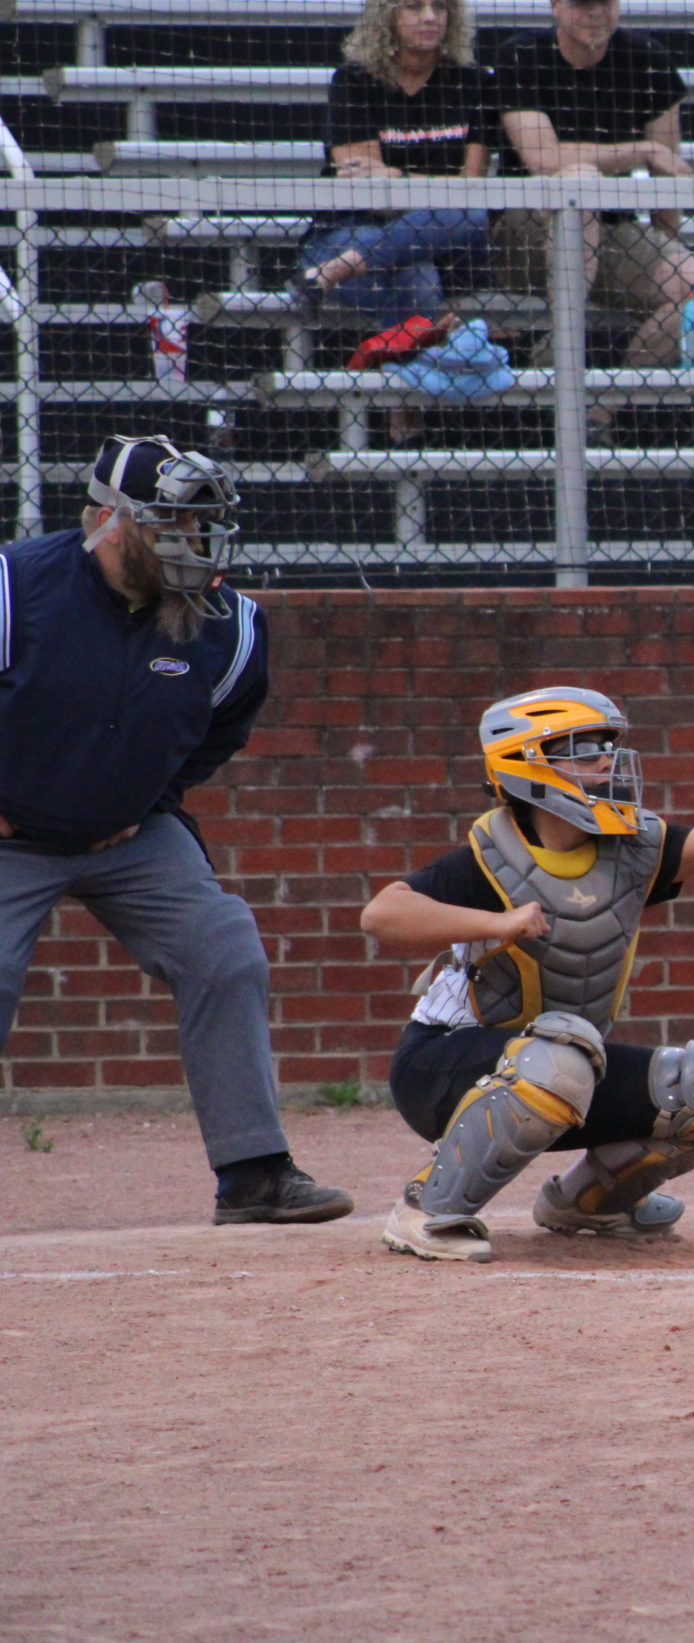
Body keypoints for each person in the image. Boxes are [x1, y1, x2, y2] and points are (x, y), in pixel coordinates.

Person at [359, 673, 694, 1263]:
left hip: (558, 1064)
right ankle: (428, 1209)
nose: (610, 761)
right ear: (529, 764)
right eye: (588, 749)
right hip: (441, 1066)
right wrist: (497, 923)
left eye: (609, 746)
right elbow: (382, 915)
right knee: (561, 1057)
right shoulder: (490, 857)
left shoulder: (630, 846)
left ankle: (587, 1201)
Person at [0, 437, 351, 1226]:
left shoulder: (231, 625)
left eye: (202, 522)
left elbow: (218, 730)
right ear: (106, 521)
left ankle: (255, 1171)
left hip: (131, 833)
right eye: (171, 521)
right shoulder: (13, 588)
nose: (193, 540)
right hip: (7, 830)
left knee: (225, 952)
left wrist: (143, 794)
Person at [492, 0, 694, 369]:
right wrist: (640, 151)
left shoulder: (648, 60)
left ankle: (601, 409)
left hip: (613, 231)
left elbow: (667, 171)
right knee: (579, 182)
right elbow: (543, 159)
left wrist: (664, 246)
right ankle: (564, 351)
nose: (596, 11)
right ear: (555, 2)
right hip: (525, 233)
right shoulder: (521, 56)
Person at [295, 0, 494, 332]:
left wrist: (396, 177)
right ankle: (428, 373)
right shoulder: (355, 81)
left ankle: (329, 275)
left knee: (469, 213)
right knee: (415, 280)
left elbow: (472, 191)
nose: (430, 17)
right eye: (414, 6)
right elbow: (366, 192)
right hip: (351, 230)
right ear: (388, 14)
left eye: (439, 6)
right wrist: (430, 189)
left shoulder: (474, 84)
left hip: (441, 244)